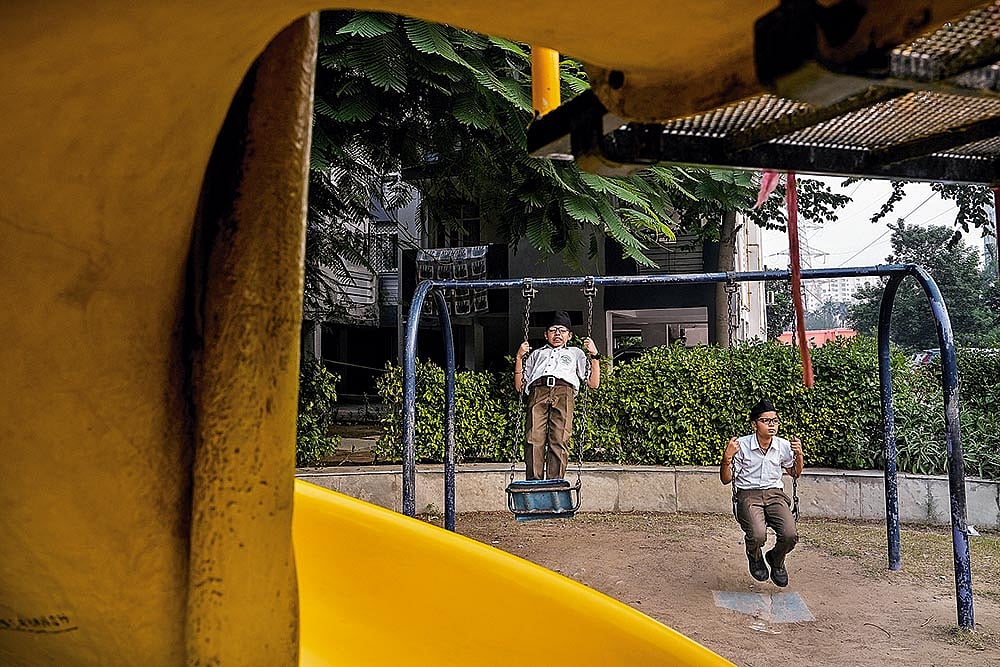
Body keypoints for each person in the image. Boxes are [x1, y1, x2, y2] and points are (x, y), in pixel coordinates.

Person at [719, 399, 804, 587]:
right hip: (748, 494)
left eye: (775, 420)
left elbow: (795, 473)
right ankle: (755, 555)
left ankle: (775, 559)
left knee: (790, 535)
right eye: (766, 421)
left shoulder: (782, 445)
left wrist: (799, 455)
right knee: (757, 535)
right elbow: (726, 479)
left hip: (775, 495)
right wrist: (727, 458)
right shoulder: (741, 445)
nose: (772, 425)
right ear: (754, 424)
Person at [513, 311, 601, 480]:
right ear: (546, 335)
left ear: (569, 335)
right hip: (538, 390)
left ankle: (555, 481)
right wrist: (519, 357)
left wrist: (594, 355)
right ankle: (534, 482)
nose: (558, 334)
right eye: (553, 330)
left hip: (564, 392)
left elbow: (593, 383)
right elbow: (519, 386)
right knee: (533, 438)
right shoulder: (536, 354)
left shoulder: (576, 353)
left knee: (559, 438)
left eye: (562, 330)